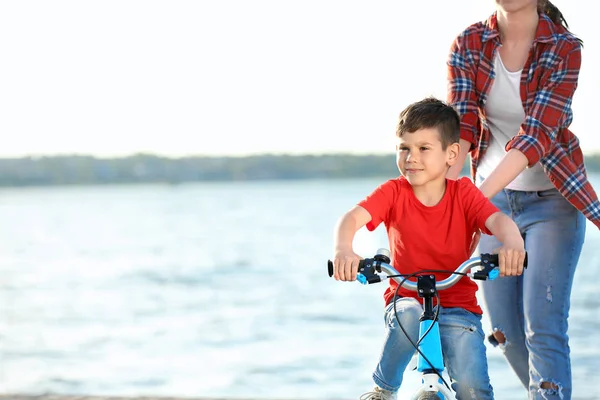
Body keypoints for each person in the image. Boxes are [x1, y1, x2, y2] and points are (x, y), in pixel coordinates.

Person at [446, 1, 600, 398]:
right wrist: (444, 199)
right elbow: (461, 125)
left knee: (543, 324)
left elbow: (535, 136)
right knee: (505, 333)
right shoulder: (469, 43)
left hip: (552, 201)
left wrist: (473, 200)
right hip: (494, 205)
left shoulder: (564, 48)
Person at [331, 97, 526, 400]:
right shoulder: (393, 192)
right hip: (405, 295)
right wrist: (344, 248)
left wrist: (512, 243)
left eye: (424, 148)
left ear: (451, 154)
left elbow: (498, 220)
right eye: (404, 147)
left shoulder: (464, 193)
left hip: (458, 304)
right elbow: (351, 218)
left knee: (473, 388)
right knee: (408, 315)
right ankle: (384, 389)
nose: (412, 157)